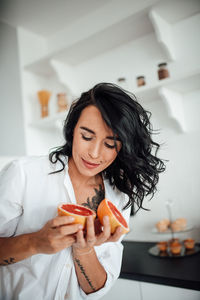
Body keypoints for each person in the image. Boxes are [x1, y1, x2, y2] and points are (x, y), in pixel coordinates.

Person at [0, 83, 165, 300]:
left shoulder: (118, 196)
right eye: (87, 137)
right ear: (72, 130)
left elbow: (97, 288)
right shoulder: (23, 174)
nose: (94, 154)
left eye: (110, 144)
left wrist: (84, 250)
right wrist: (35, 242)